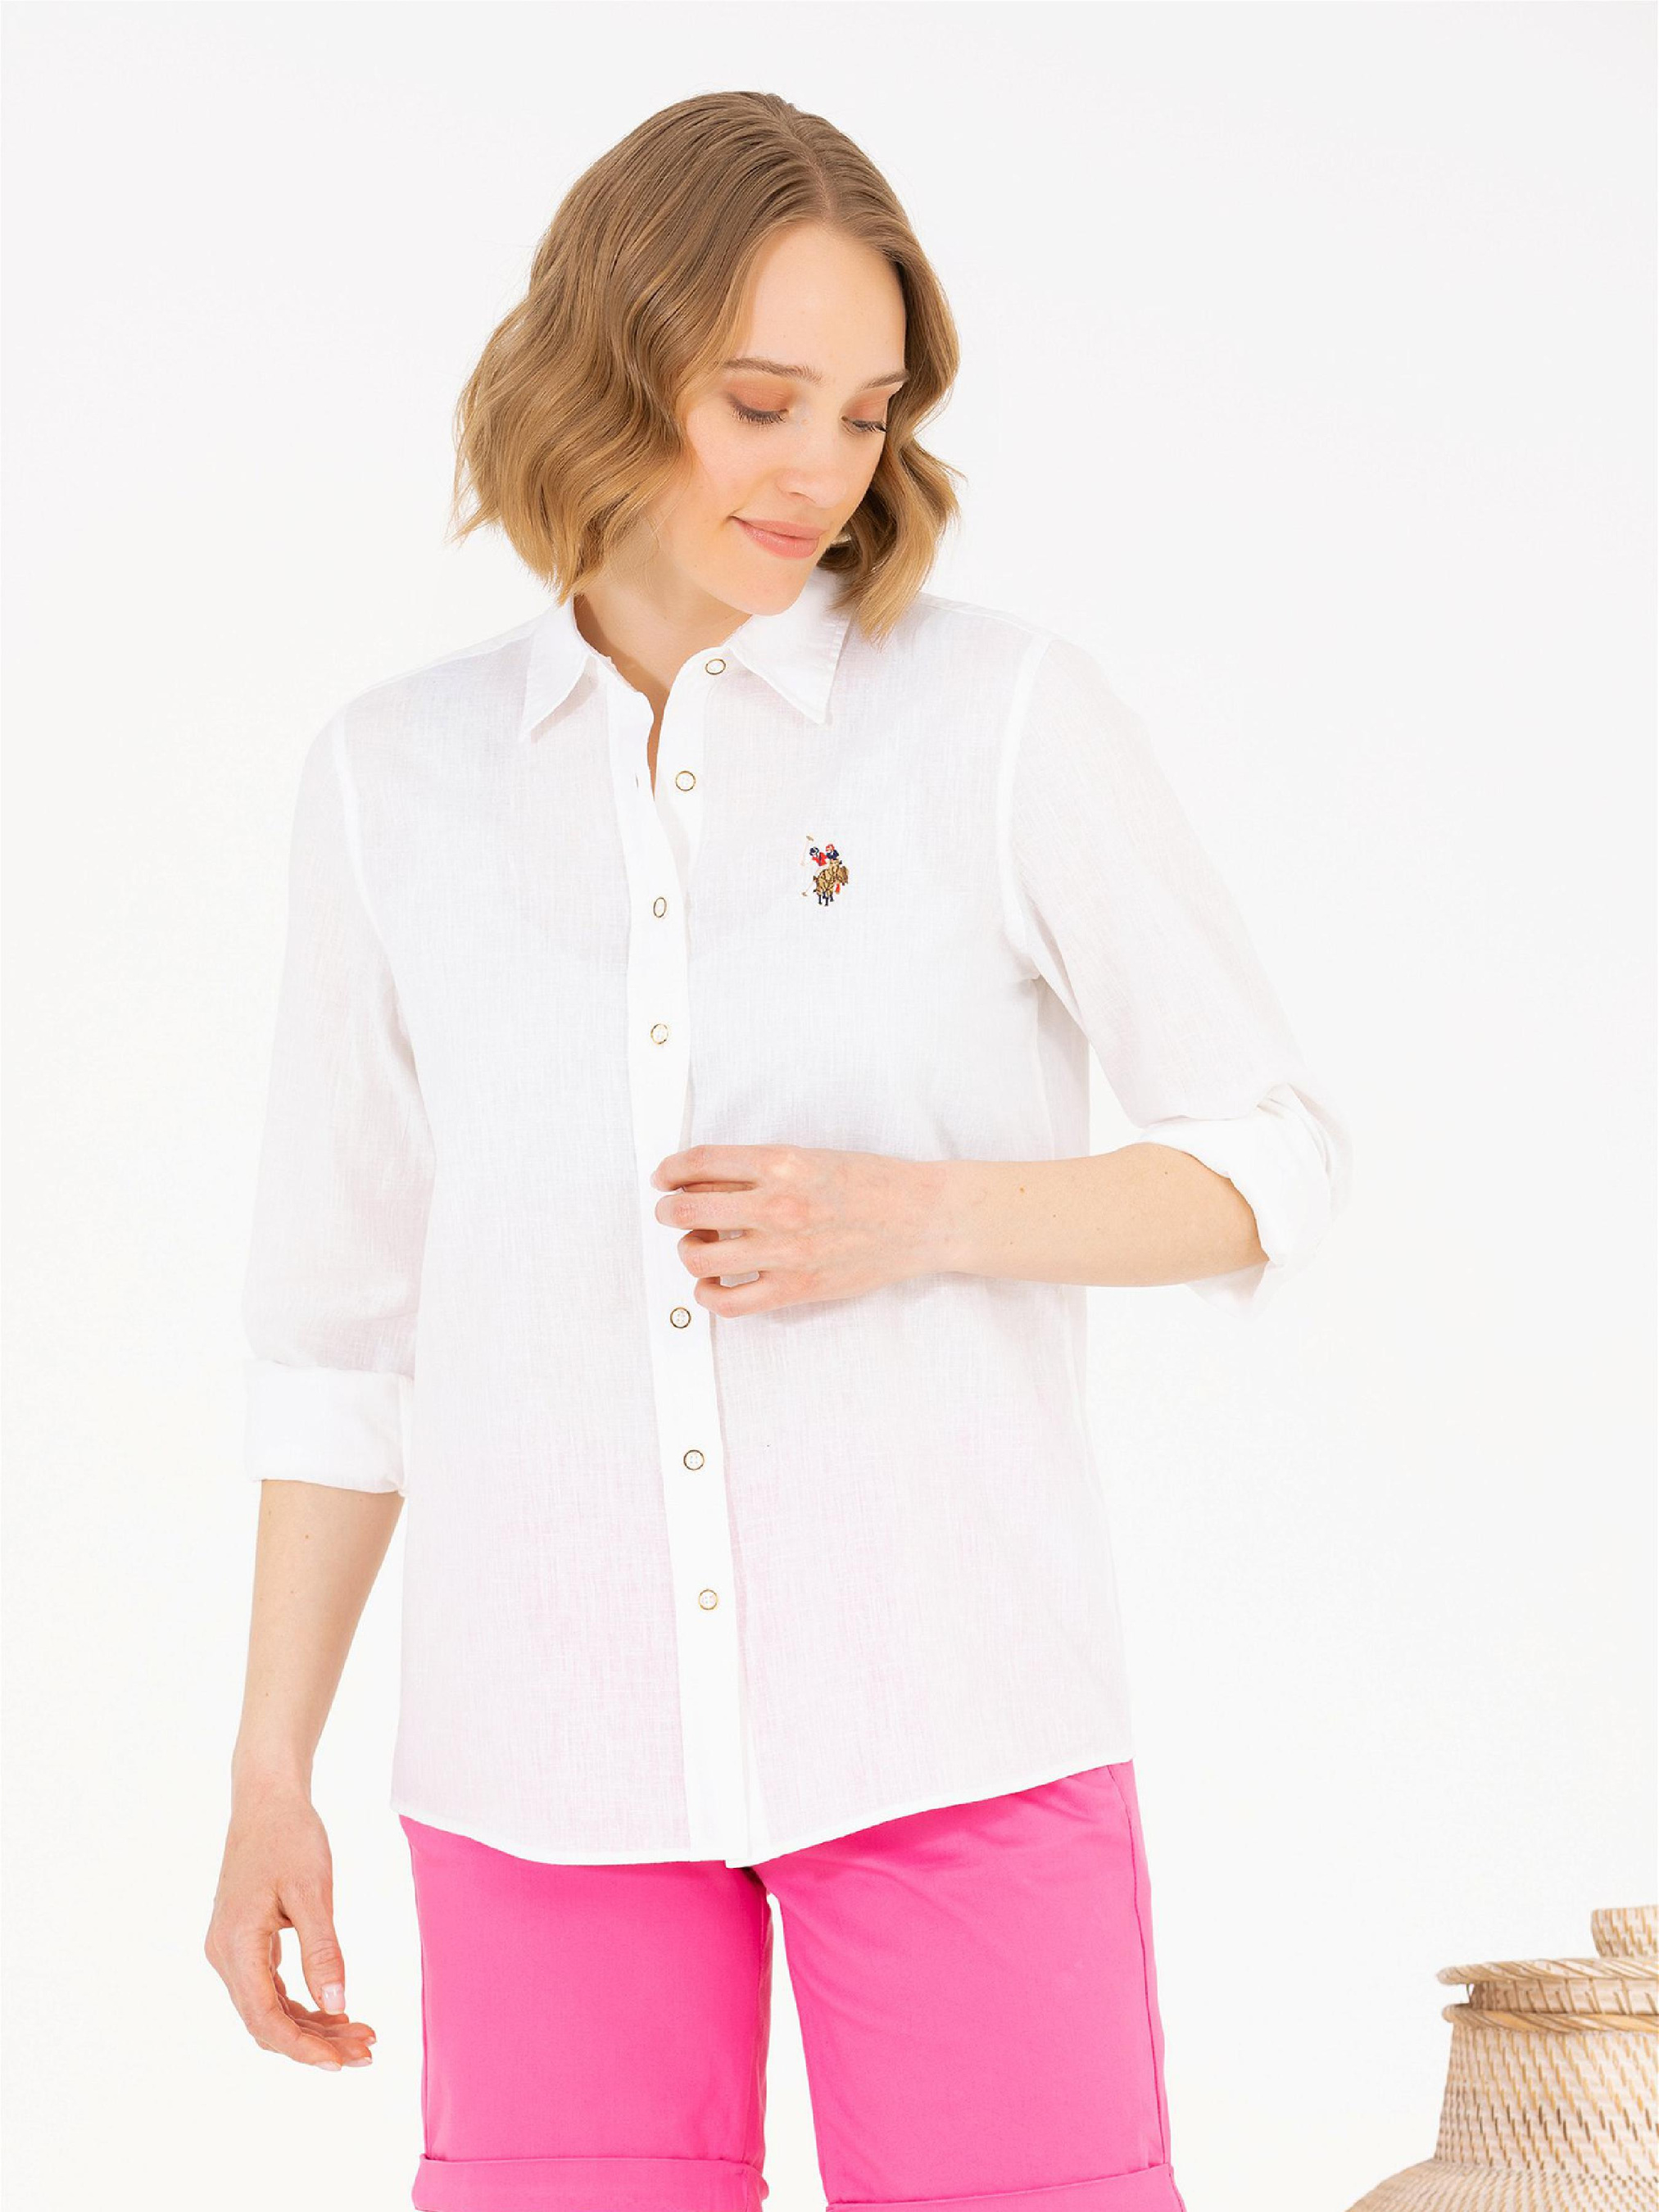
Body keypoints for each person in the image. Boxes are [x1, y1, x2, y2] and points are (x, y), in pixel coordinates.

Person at [206, 89, 1351, 2212]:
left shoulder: (995, 718)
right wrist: (270, 1770)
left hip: (953, 1724)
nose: (818, 466)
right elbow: (341, 1334)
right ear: (604, 364)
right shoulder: (391, 782)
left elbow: (1266, 1160)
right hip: (540, 1763)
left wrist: (921, 1214)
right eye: (758, 401)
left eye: (863, 411)